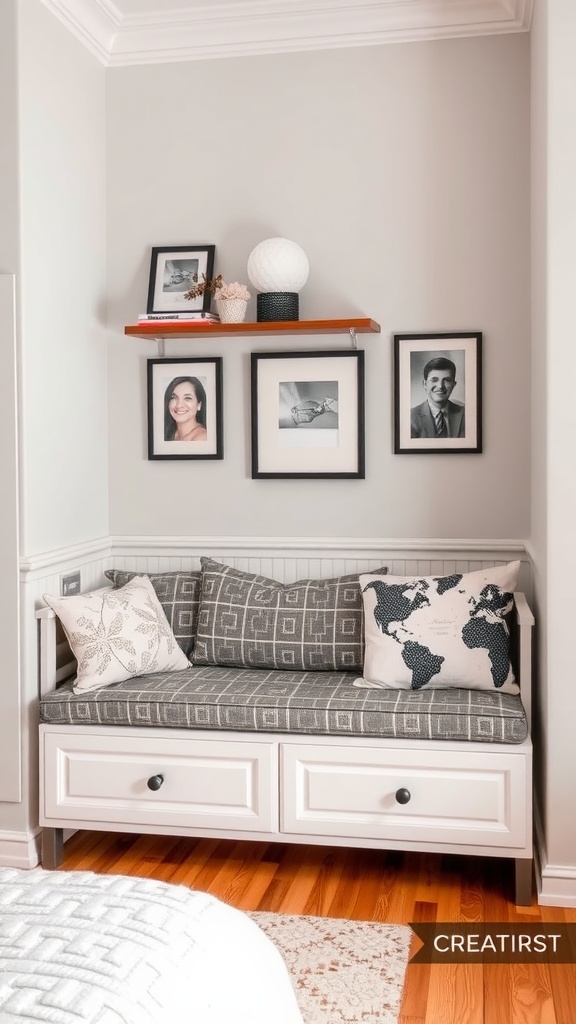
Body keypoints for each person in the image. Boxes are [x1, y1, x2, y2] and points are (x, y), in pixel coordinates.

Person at [410, 356, 465, 439]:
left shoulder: (466, 414)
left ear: (454, 384)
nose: (440, 386)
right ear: (425, 384)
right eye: (434, 380)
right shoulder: (410, 417)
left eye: (446, 380)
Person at [164, 376, 207, 441]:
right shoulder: (167, 433)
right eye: (174, 398)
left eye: (187, 398)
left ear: (199, 405)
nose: (179, 405)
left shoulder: (202, 438)